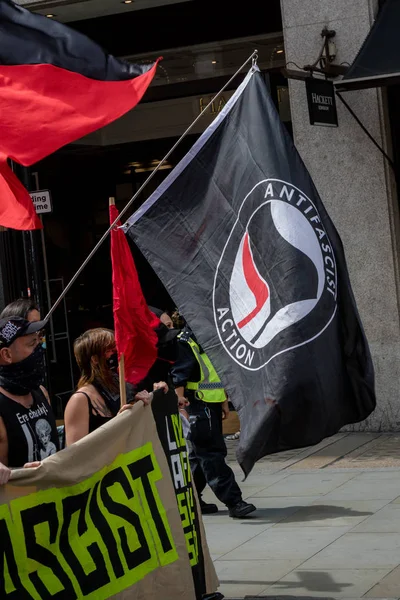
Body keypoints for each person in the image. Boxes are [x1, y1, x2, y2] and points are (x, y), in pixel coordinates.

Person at [172, 325, 256, 518]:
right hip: (197, 405)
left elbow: (217, 374)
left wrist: (224, 402)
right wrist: (182, 407)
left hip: (211, 405)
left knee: (199, 456)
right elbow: (179, 377)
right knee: (211, 454)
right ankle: (234, 502)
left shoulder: (207, 337)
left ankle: (189, 500)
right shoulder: (187, 342)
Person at [64, 328, 165, 445]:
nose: (118, 353)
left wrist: (150, 399)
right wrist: (117, 424)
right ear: (95, 359)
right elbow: (74, 456)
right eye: (111, 350)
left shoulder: (121, 386)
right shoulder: (80, 400)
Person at [0, 316, 59, 479]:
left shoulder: (40, 392)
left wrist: (121, 420)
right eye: (32, 344)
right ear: (7, 354)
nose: (39, 349)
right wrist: (18, 473)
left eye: (38, 341)